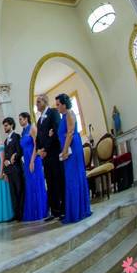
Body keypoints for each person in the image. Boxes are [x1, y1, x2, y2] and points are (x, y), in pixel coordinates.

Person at [56, 94, 92, 224]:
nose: (57, 107)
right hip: (68, 148)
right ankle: (75, 210)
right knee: (70, 179)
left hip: (72, 149)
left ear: (64, 104)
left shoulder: (70, 113)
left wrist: (65, 150)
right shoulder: (63, 116)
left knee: (73, 179)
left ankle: (78, 211)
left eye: (58, 104)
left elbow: (70, 133)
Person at [35, 94, 64, 221]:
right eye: (36, 102)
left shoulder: (53, 113)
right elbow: (39, 138)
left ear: (45, 101)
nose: (37, 104)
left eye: (39, 101)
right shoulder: (39, 119)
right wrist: (38, 150)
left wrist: (45, 149)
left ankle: (63, 209)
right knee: (50, 183)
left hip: (53, 153)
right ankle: (54, 211)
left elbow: (55, 132)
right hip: (45, 156)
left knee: (58, 181)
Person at [19, 113, 48, 222]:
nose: (20, 121)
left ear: (26, 119)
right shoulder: (23, 131)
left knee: (36, 184)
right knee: (30, 185)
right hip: (26, 160)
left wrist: (32, 161)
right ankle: (33, 210)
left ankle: (40, 210)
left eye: (21, 119)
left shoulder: (32, 128)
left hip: (34, 159)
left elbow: (37, 144)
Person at [2, 117, 24, 221]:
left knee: (19, 190)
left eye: (6, 125)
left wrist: (11, 160)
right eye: (4, 126)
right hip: (9, 170)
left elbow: (19, 151)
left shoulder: (17, 136)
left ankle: (22, 213)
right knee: (13, 193)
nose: (4, 127)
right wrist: (5, 170)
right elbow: (5, 156)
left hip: (16, 168)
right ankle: (16, 214)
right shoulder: (6, 141)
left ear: (11, 125)